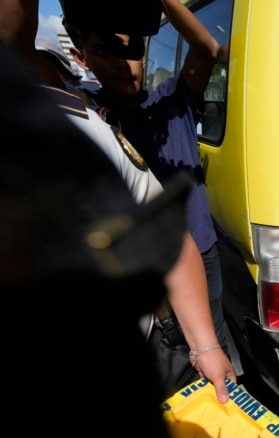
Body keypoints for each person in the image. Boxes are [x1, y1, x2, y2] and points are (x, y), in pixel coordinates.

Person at [1, 0, 235, 404]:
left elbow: (208, 51)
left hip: (196, 248)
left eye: (131, 50)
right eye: (105, 50)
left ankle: (226, 397)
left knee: (211, 351)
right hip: (136, 273)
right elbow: (17, 48)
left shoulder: (170, 102)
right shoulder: (86, 110)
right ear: (82, 57)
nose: (121, 62)